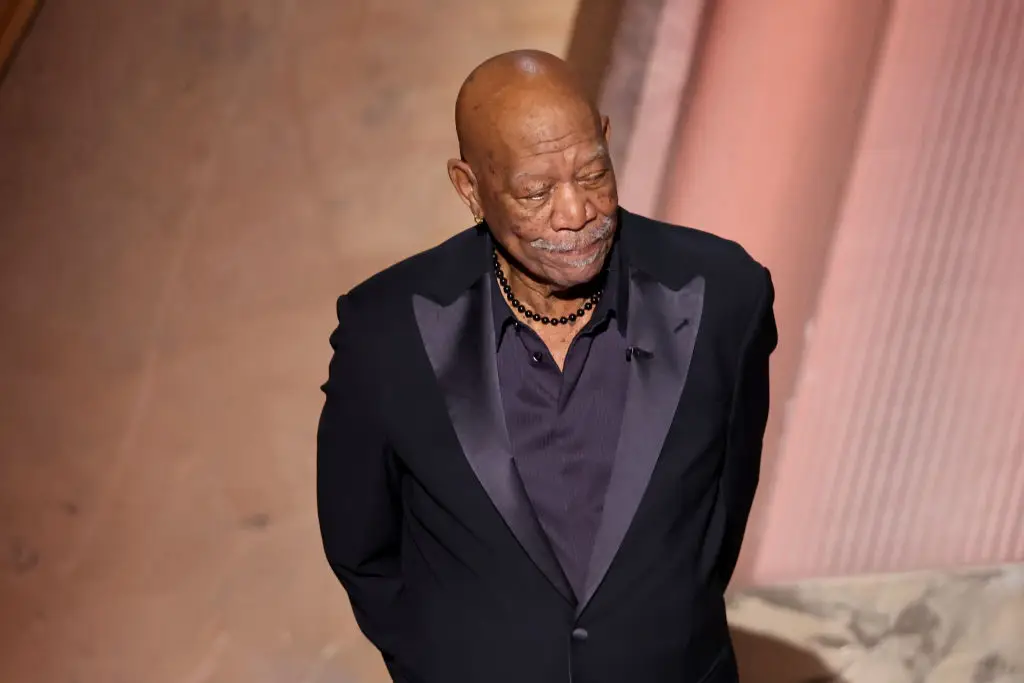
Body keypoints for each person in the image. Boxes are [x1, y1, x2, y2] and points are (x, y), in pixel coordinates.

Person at [317, 49, 777, 683]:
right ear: (469, 187)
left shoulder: (725, 295)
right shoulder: (387, 333)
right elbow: (362, 548)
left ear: (608, 141)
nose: (574, 214)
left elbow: (721, 512)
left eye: (593, 174)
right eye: (535, 192)